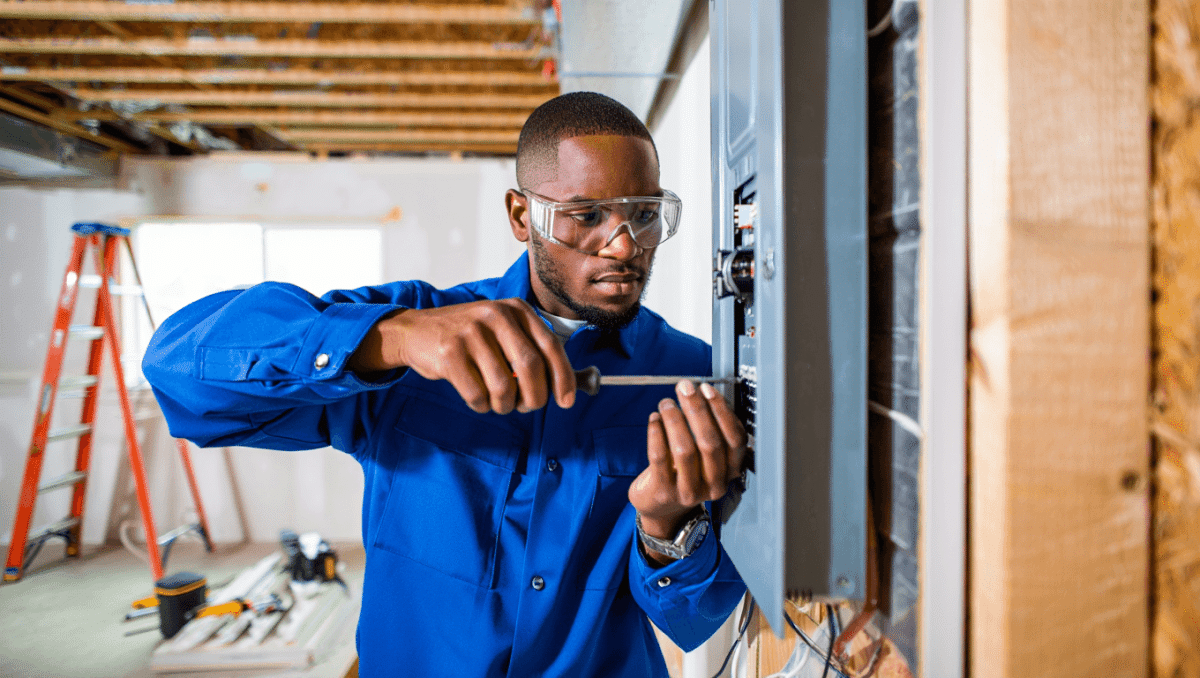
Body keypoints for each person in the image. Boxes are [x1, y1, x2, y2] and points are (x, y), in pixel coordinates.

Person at [143, 91, 747, 677]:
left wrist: (665, 529)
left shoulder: (692, 379)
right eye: (585, 217)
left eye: (643, 215)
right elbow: (179, 375)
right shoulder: (410, 336)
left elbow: (695, 616)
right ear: (521, 215)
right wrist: (394, 340)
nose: (623, 246)